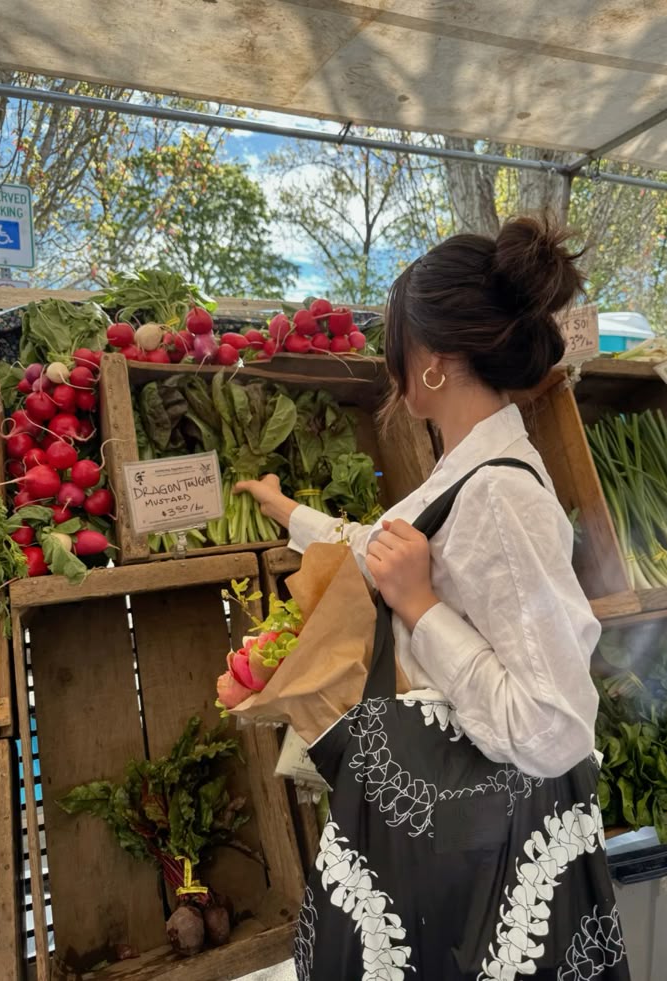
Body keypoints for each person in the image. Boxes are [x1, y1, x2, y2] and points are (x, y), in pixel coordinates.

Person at [235, 217, 628, 981]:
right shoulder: (469, 472)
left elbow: (555, 728)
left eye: (397, 347)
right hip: (462, 849)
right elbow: (385, 544)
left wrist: (421, 608)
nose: (393, 367)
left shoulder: (501, 497)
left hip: (484, 857)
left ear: (433, 359)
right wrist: (288, 513)